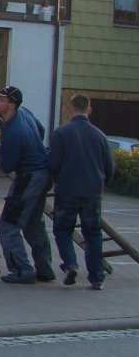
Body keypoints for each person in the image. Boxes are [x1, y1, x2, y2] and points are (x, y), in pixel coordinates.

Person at [49, 94, 115, 290]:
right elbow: (110, 167)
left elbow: (53, 163)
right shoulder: (100, 136)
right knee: (93, 235)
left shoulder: (62, 133)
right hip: (92, 192)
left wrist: (56, 180)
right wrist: (102, 184)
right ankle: (97, 278)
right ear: (89, 110)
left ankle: (71, 264)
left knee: (63, 229)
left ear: (69, 109)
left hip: (67, 190)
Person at [0, 85, 55, 285]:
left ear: (11, 105)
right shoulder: (25, 113)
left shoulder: (12, 131)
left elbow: (7, 165)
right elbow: (41, 129)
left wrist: (2, 150)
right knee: (33, 224)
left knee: (8, 225)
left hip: (28, 177)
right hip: (42, 174)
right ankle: (45, 269)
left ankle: (22, 270)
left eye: (1, 99)